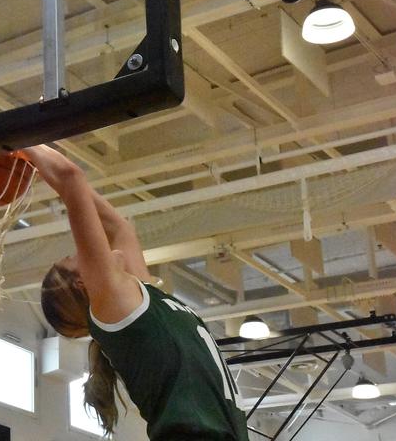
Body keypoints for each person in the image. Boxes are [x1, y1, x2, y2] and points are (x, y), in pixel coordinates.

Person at [23, 145, 248, 441]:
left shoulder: (141, 300)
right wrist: (21, 144)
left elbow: (120, 228)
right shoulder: (111, 303)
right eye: (72, 257)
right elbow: (70, 177)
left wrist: (38, 167)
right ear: (82, 281)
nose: (81, 252)